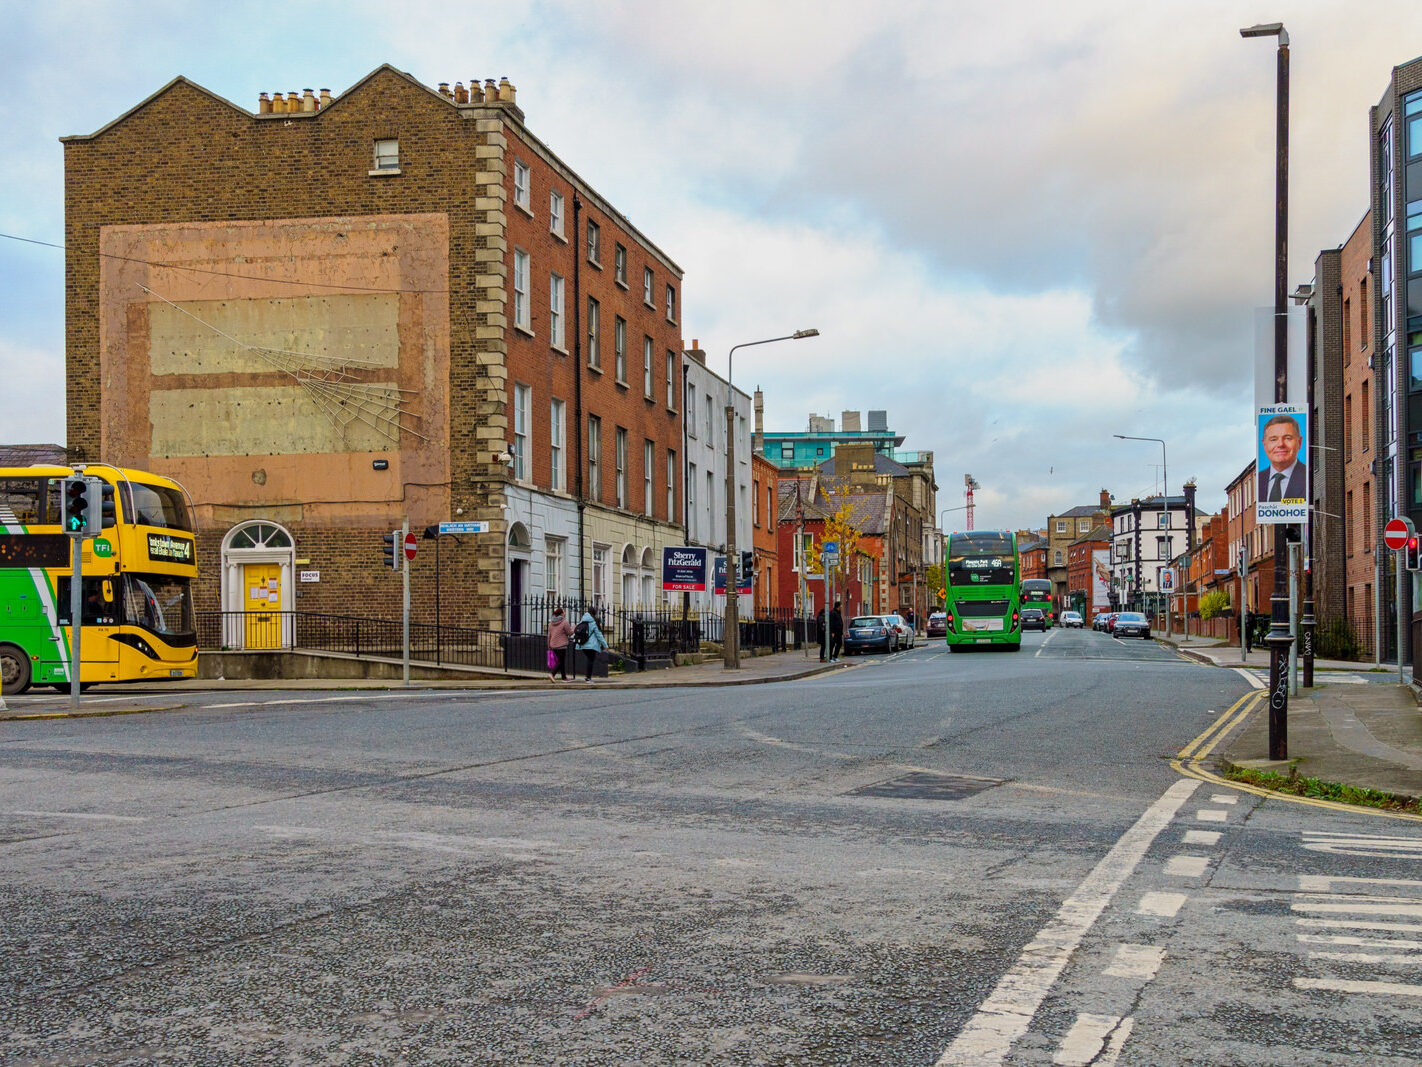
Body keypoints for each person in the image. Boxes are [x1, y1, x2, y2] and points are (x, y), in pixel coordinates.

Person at [1258, 413, 1306, 502]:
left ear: (1299, 442)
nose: (1280, 444)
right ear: (1264, 444)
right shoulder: (1258, 480)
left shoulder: (1309, 477)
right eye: (1273, 439)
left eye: (1287, 438)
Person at [574, 608, 609, 682]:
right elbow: (599, 635)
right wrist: (605, 645)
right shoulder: (593, 622)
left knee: (589, 660)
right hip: (591, 645)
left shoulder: (582, 621)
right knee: (590, 660)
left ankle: (588, 677)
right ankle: (588, 678)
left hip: (582, 644)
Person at [546, 606, 574, 682]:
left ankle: (564, 677)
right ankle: (552, 674)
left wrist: (549, 645)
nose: (564, 613)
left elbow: (549, 635)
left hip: (553, 644)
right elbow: (569, 633)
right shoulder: (564, 622)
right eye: (563, 612)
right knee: (560, 661)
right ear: (561, 614)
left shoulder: (551, 623)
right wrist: (574, 628)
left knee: (561, 661)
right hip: (561, 645)